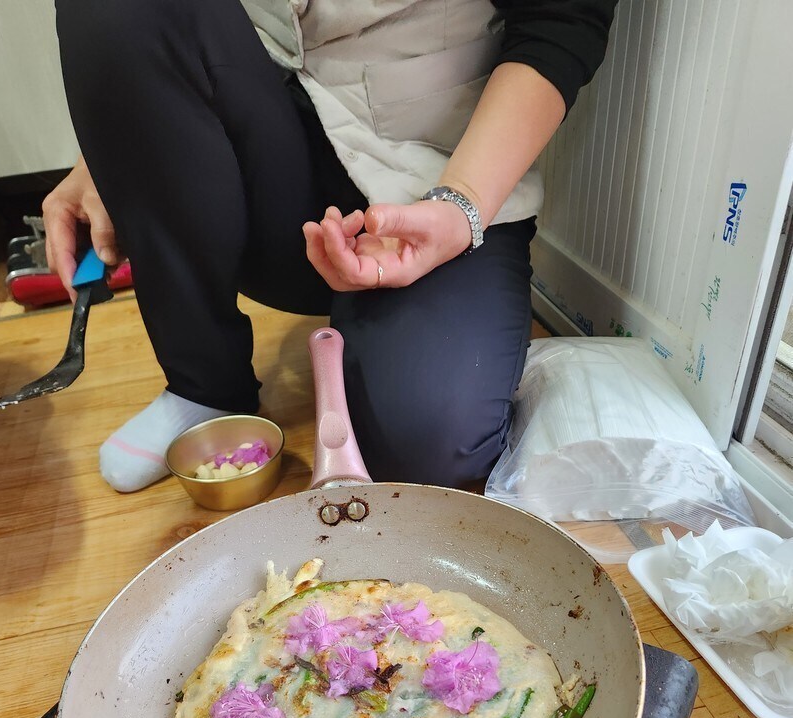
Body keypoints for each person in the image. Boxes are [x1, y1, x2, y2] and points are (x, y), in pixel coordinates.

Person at [43, 0, 617, 493]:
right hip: (259, 141)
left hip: (436, 165)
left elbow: (560, 19)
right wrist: (118, 145)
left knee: (427, 446)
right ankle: (203, 384)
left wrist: (460, 201)